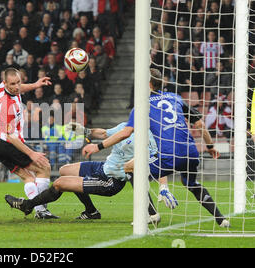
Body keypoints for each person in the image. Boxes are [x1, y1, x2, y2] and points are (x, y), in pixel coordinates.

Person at [82, 68, 230, 228]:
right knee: (192, 184)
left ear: (147, 84)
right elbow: (200, 124)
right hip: (190, 152)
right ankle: (221, 219)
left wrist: (97, 147)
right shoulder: (175, 98)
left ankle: (151, 214)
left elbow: (125, 133)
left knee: (130, 168)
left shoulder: (142, 105)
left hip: (169, 155)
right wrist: (209, 146)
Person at [5, 121, 162, 224]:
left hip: (112, 180)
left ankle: (28, 205)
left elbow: (150, 161)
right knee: (64, 170)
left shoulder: (149, 138)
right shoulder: (126, 126)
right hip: (103, 166)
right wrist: (84, 130)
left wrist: (163, 186)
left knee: (60, 183)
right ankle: (91, 211)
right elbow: (103, 134)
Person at [0, 68, 58, 219]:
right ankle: (41, 211)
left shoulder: (2, 88)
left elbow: (21, 88)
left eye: (18, 82)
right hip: (7, 143)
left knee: (28, 177)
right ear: (5, 83)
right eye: (12, 84)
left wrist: (35, 85)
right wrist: (31, 153)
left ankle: (37, 209)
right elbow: (10, 136)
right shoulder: (6, 105)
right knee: (44, 167)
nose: (16, 87)